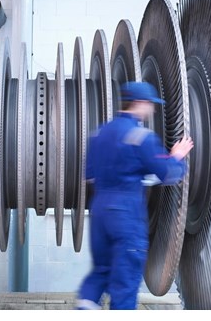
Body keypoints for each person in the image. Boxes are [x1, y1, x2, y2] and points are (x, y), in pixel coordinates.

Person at [76, 81, 194, 310]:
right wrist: (176, 157)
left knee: (101, 271)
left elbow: (89, 176)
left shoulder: (98, 134)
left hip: (100, 211)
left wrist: (130, 174)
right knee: (125, 280)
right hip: (126, 215)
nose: (153, 110)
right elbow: (169, 174)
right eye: (151, 104)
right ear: (139, 103)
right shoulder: (141, 137)